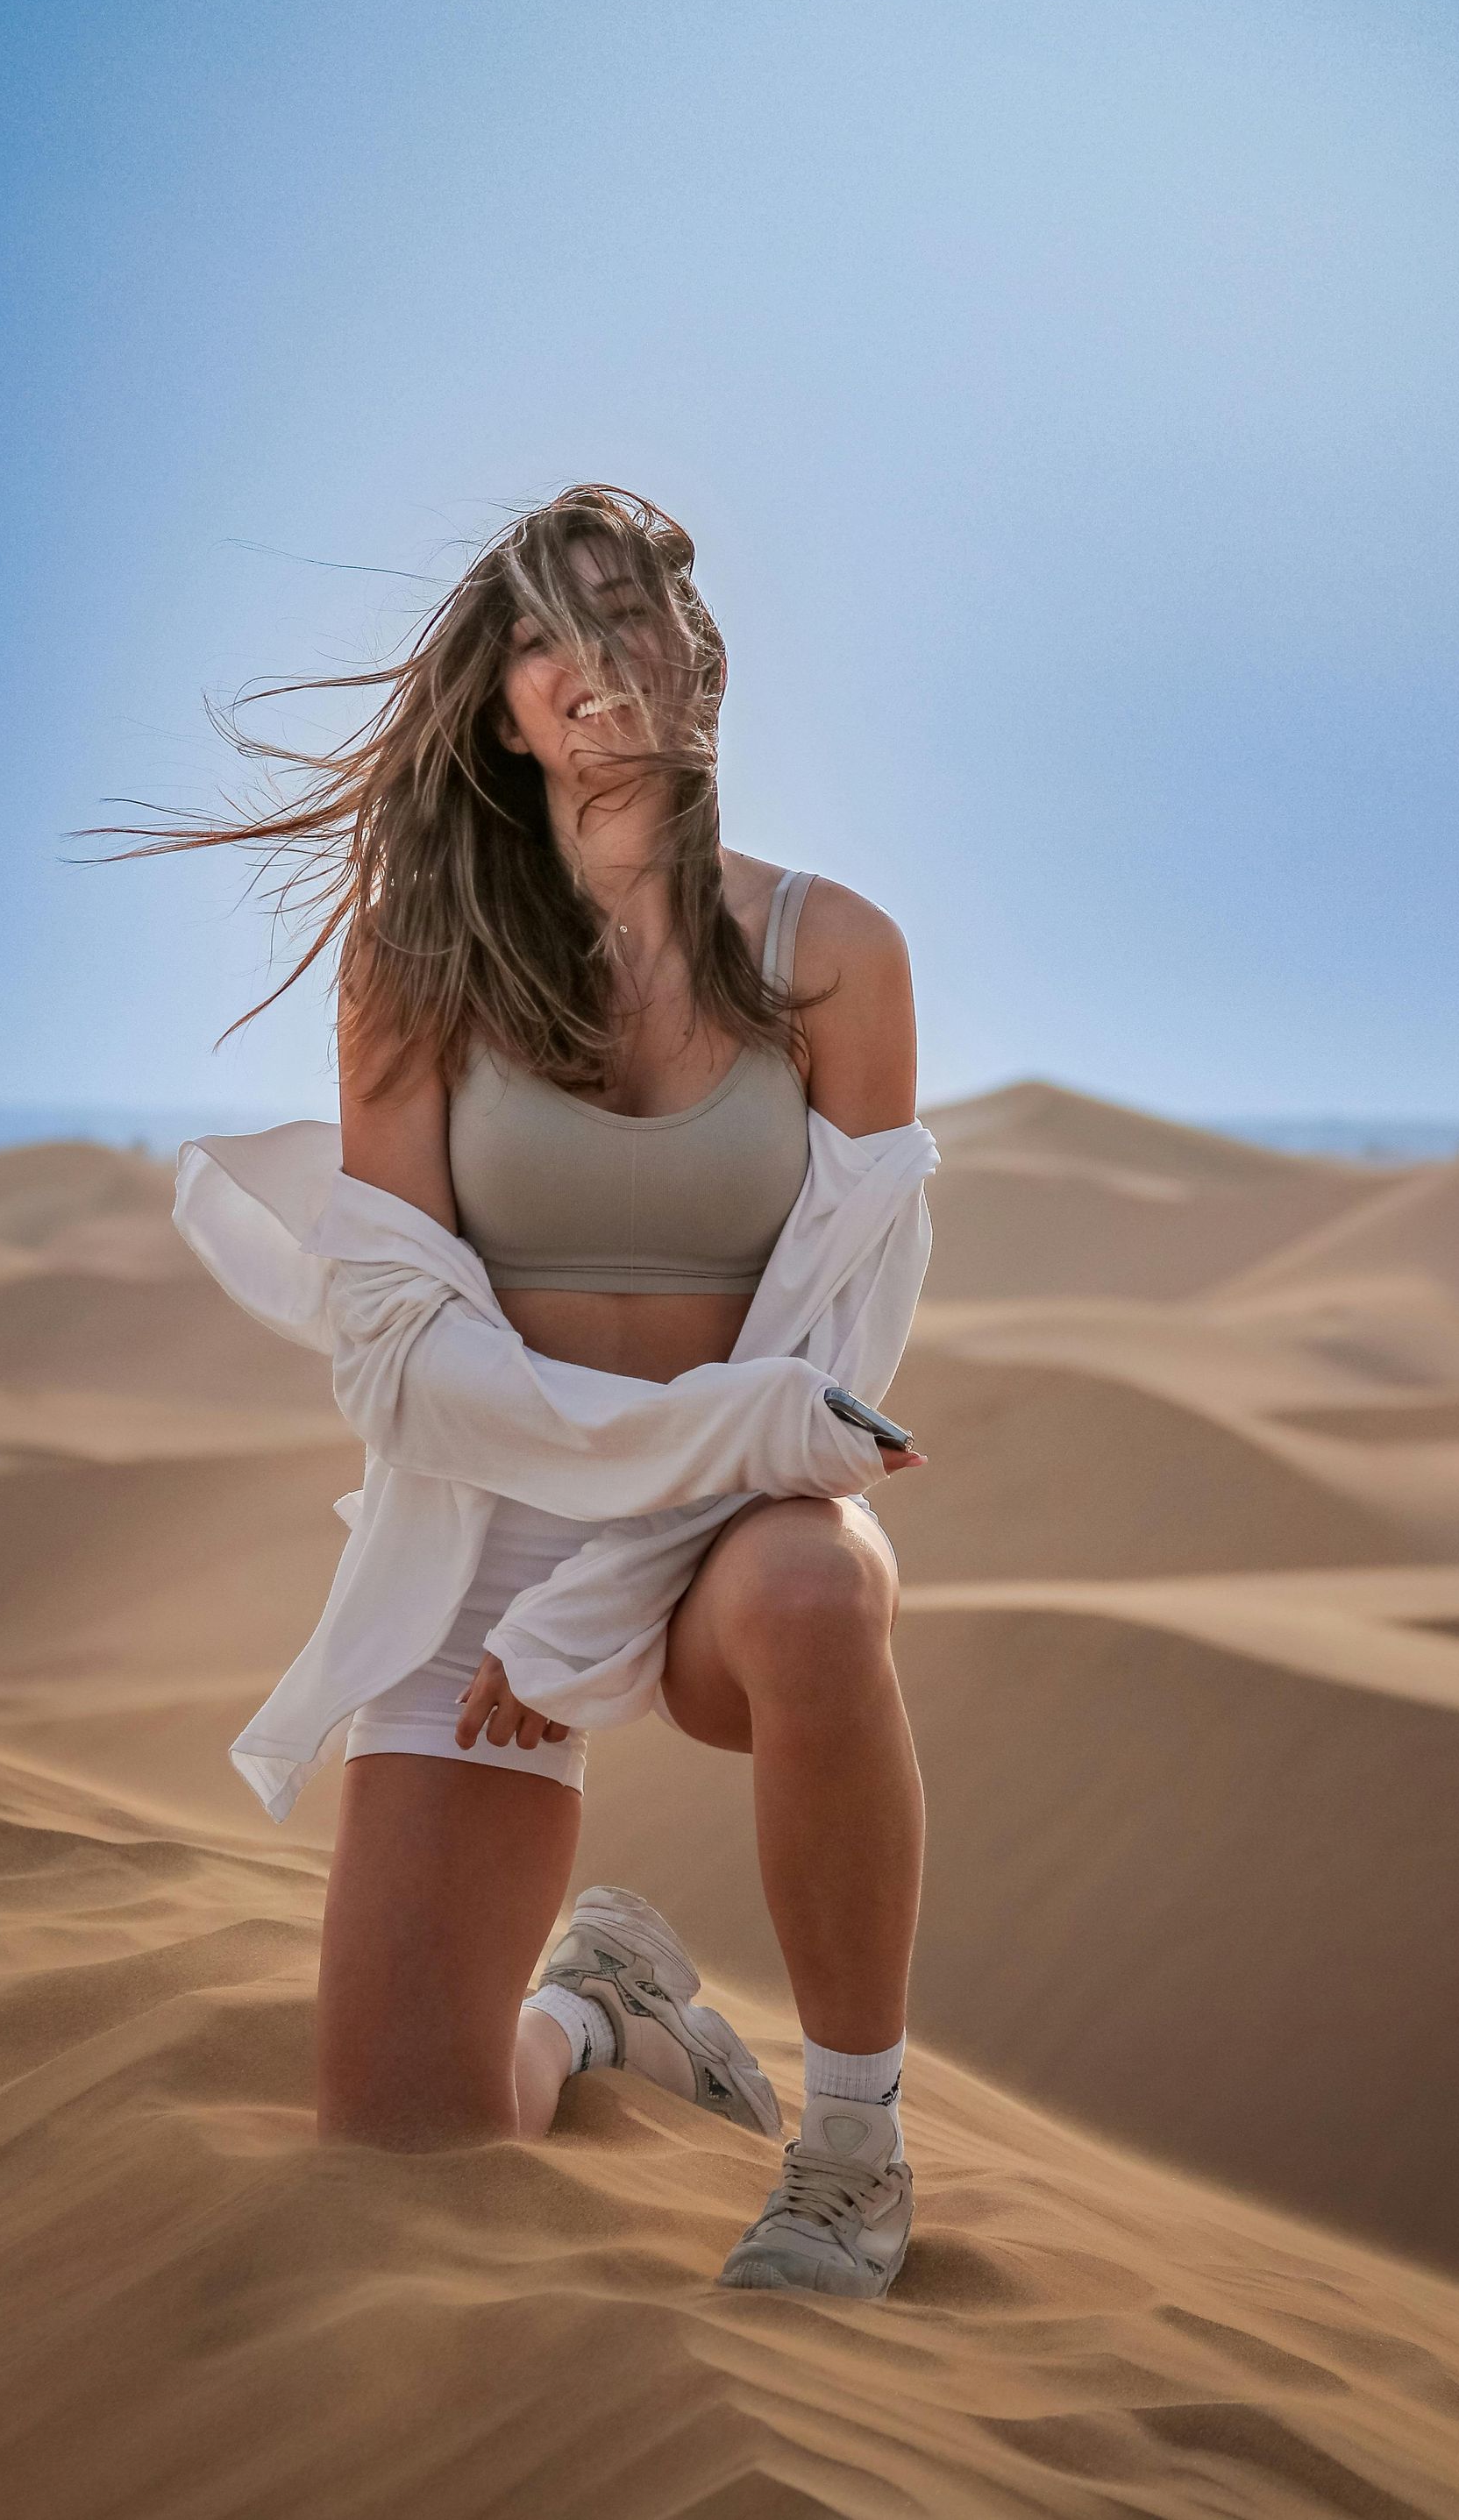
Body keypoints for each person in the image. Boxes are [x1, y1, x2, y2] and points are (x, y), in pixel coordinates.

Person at [140, 486, 936, 2301]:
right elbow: (406, 1365)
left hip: (730, 1531)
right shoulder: (417, 965)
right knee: (405, 2142)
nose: (597, 663)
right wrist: (557, 1577)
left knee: (826, 1583)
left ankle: (853, 2152)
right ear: (503, 704)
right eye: (547, 635)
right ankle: (599, 2011)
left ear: (702, 665)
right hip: (479, 1545)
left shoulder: (836, 954)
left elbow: (837, 1342)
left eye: (635, 617)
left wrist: (631, 1572)